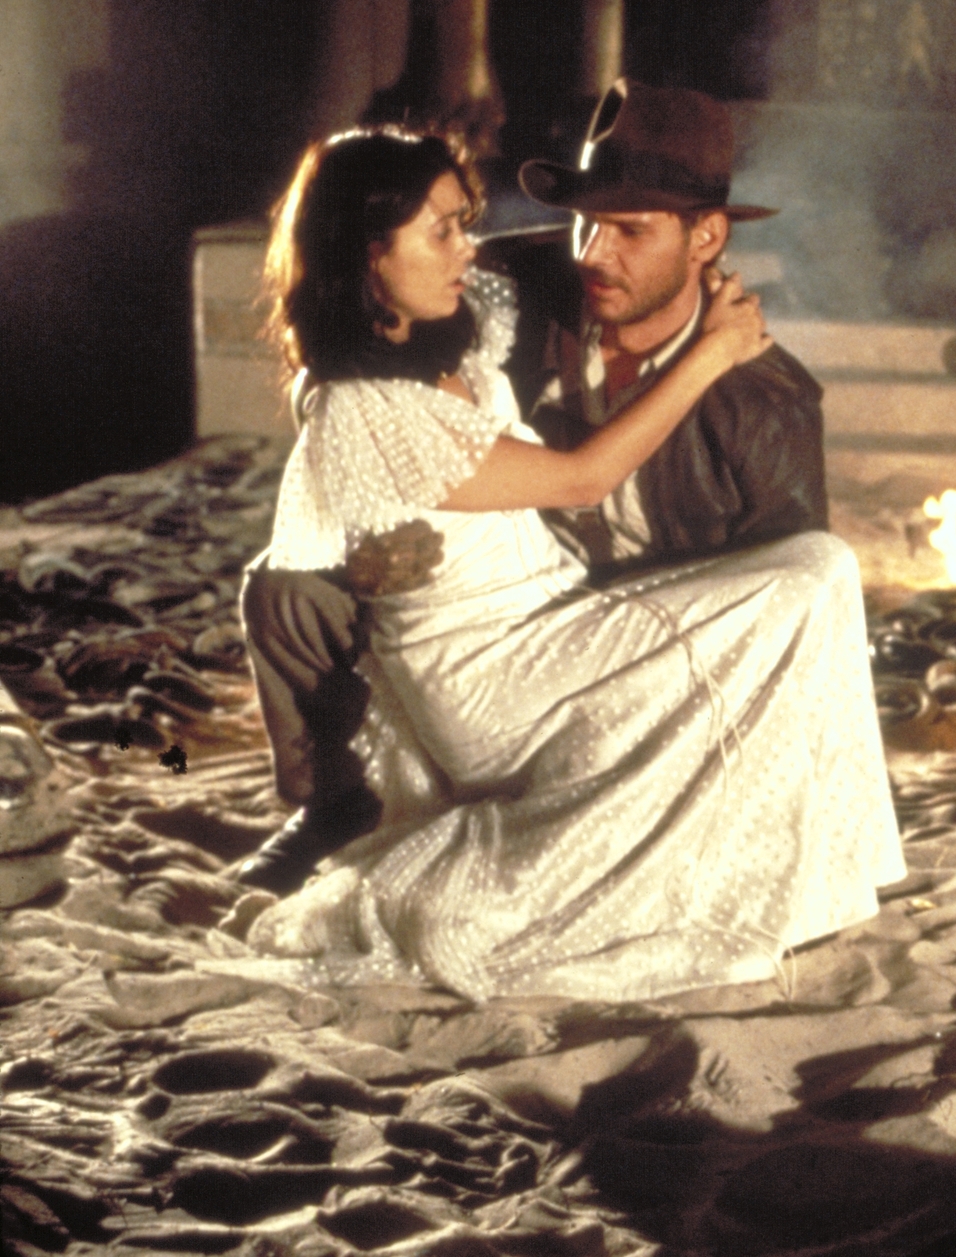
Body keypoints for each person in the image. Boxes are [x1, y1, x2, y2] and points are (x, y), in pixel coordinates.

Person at [232, 125, 903, 1001]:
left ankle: (825, 875)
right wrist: (713, 351)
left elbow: (541, 254)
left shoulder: (457, 320)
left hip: (561, 617)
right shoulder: (364, 405)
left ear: (704, 237)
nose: (467, 247)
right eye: (442, 229)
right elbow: (583, 478)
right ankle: (327, 803)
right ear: (367, 250)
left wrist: (693, 280)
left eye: (466, 222)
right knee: (812, 579)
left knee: (816, 572)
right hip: (489, 681)